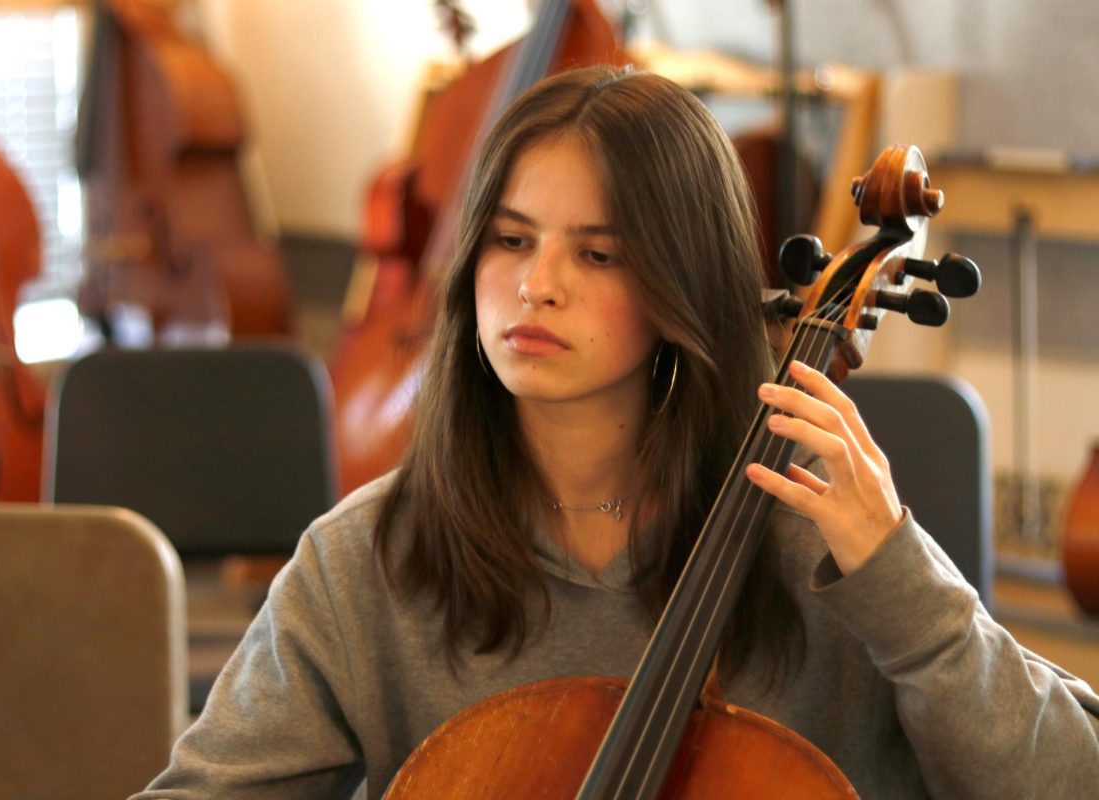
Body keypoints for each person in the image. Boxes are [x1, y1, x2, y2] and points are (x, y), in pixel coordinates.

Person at [133, 65, 1099, 799]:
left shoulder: (825, 542)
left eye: (596, 253)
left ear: (682, 289)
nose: (536, 283)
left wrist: (906, 591)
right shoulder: (368, 561)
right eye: (511, 240)